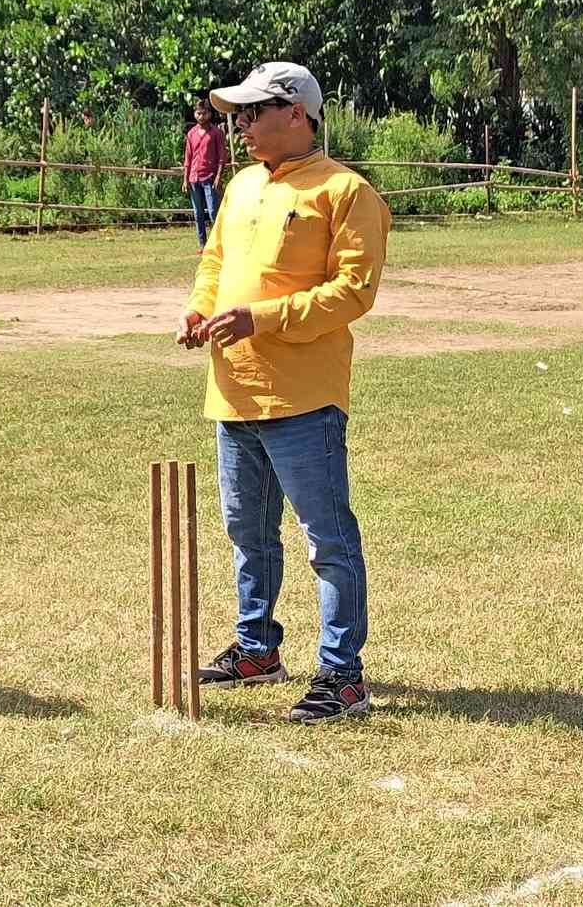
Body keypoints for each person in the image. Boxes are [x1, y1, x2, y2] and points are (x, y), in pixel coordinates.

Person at [178, 61, 390, 725]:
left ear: (294, 113)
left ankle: (342, 674)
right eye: (236, 114)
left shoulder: (346, 192)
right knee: (248, 531)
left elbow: (353, 293)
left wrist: (261, 319)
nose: (238, 125)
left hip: (302, 396)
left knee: (326, 537)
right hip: (233, 388)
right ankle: (256, 648)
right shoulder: (240, 185)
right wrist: (198, 310)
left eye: (250, 113)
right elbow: (214, 263)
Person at [182, 99, 227, 249]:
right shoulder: (191, 134)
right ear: (195, 114)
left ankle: (217, 244)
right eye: (198, 113)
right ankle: (203, 244)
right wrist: (185, 179)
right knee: (198, 213)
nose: (201, 116)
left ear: (210, 114)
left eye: (204, 113)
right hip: (194, 177)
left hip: (210, 178)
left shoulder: (216, 133)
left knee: (214, 212)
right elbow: (187, 158)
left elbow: (222, 157)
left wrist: (219, 177)